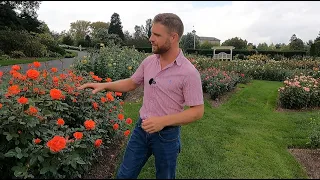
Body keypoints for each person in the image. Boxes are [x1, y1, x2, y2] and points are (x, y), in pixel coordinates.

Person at [77, 13, 204, 179]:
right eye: (151, 33)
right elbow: (131, 83)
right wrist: (104, 85)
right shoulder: (149, 62)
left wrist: (162, 121)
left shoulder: (188, 72)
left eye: (157, 35)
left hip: (167, 136)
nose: (151, 38)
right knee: (124, 175)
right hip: (141, 130)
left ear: (173, 37)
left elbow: (197, 111)